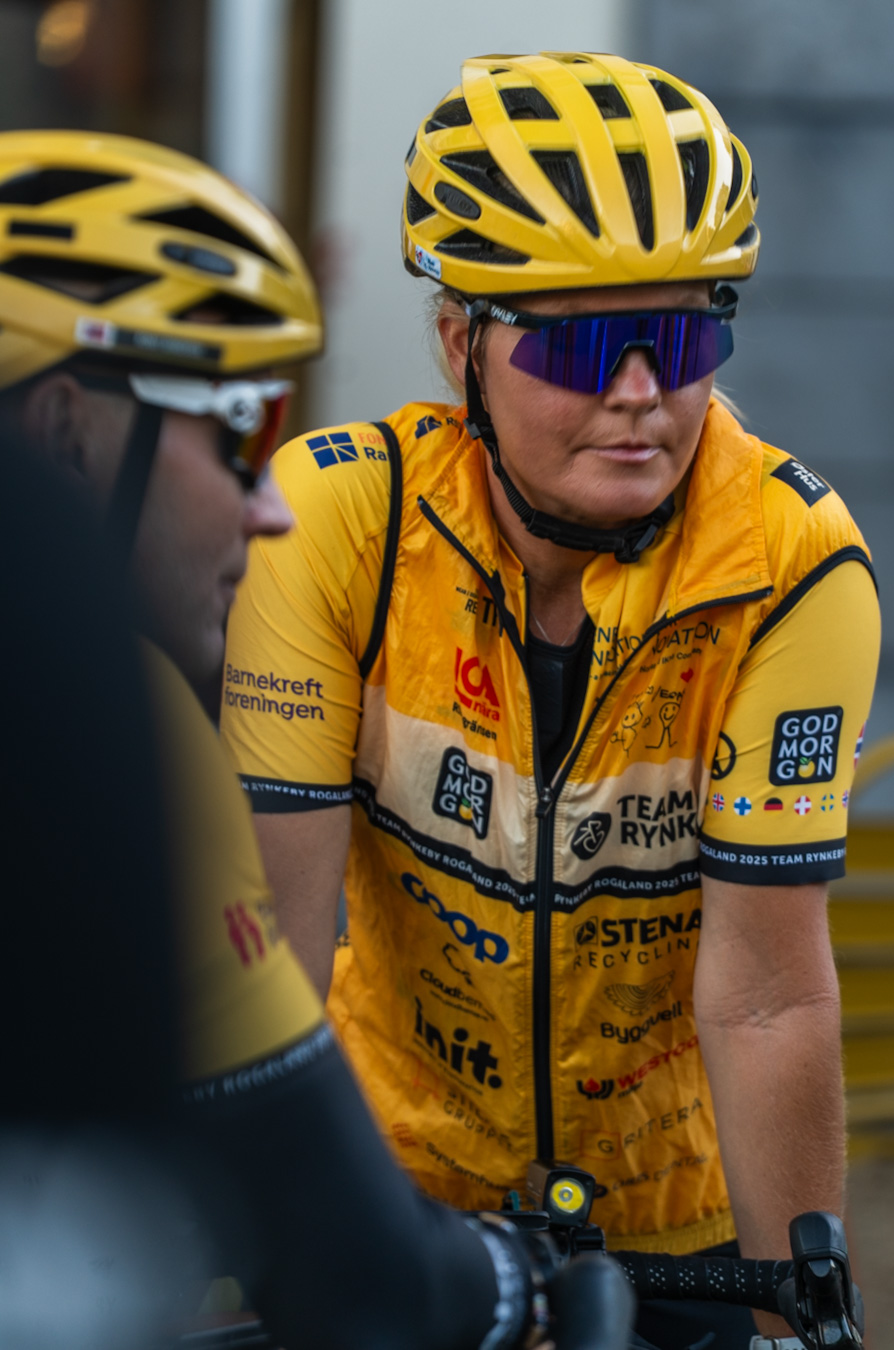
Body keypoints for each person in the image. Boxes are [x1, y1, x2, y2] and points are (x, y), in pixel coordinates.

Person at [219, 52, 880, 1349]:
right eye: (577, 342)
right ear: (458, 341)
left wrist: (802, 1325)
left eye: (681, 338)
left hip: (673, 1216)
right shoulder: (338, 522)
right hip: (399, 1190)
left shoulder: (793, 564)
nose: (638, 390)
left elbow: (766, 997)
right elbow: (274, 952)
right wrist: (254, 1238)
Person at [0, 129, 630, 1350]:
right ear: (64, 431)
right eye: (243, 429)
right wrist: (520, 1282)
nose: (269, 502)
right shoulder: (111, 712)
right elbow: (349, 1261)